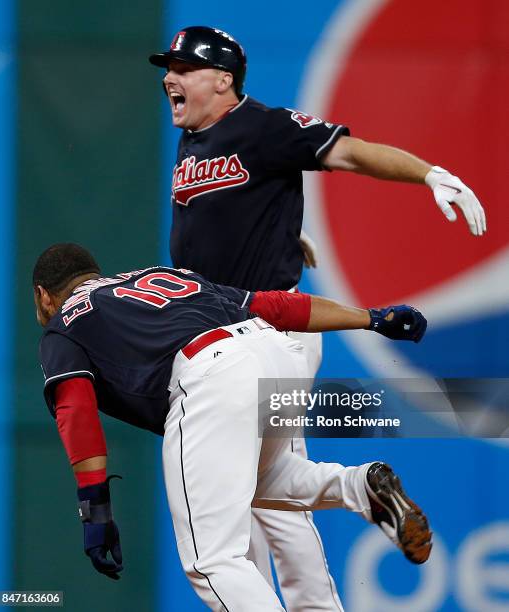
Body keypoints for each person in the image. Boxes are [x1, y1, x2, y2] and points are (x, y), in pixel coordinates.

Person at [148, 25, 486, 610]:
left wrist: (428, 173)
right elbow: (223, 219)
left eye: (184, 67)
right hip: (236, 335)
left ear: (224, 80)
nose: (169, 78)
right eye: (168, 66)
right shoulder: (196, 138)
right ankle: (353, 505)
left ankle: (347, 516)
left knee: (261, 491)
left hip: (270, 335)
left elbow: (351, 152)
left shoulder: (264, 126)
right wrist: (281, 227)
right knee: (267, 491)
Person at [34, 243, 430, 611]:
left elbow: (76, 409)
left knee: (212, 561)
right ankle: (359, 486)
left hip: (210, 375)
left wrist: (95, 509)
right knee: (265, 478)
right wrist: (371, 318)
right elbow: (273, 305)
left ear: (43, 296)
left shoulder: (63, 323)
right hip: (273, 353)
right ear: (94, 273)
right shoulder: (163, 276)